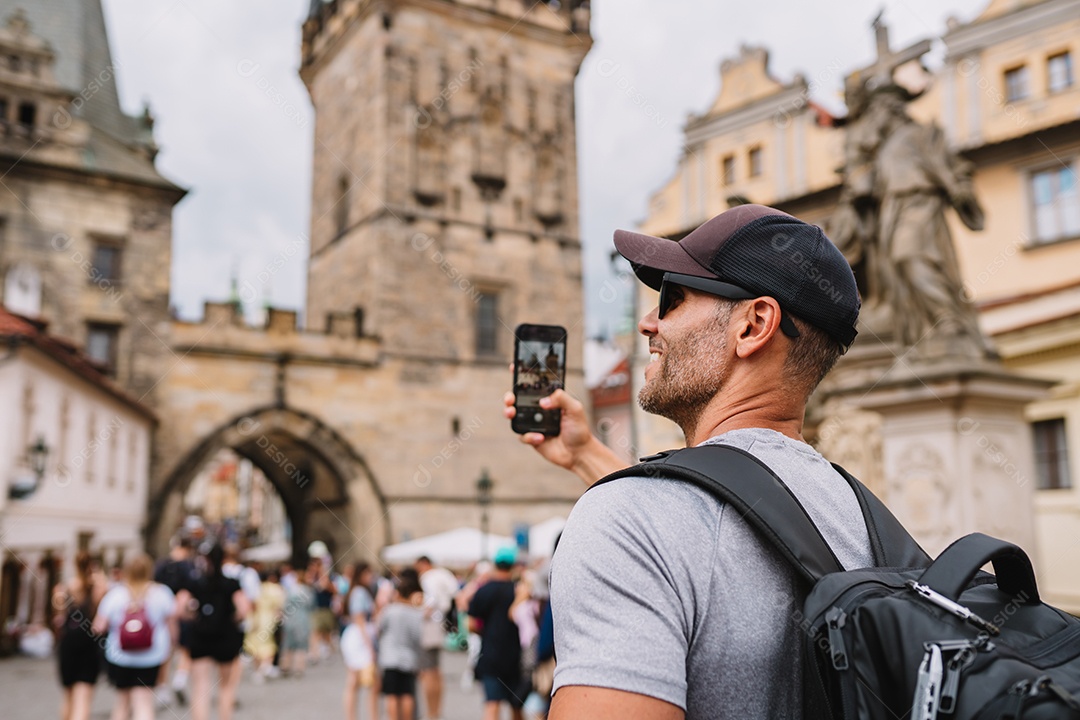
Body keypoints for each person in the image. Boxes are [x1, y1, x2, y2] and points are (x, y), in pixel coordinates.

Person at [503, 204, 869, 719]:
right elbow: (712, 532)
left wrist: (610, 495)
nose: (648, 323)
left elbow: (678, 537)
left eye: (672, 300)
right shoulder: (860, 512)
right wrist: (586, 454)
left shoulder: (623, 521)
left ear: (754, 325)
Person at [92, 553, 176, 720]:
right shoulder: (162, 593)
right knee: (144, 702)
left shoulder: (116, 594)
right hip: (151, 656)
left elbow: (98, 627)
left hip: (120, 656)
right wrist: (171, 648)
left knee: (122, 702)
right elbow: (172, 628)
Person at [177, 544, 251, 720]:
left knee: (200, 688)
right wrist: (233, 619)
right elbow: (244, 609)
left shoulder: (195, 582)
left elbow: (179, 608)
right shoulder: (231, 583)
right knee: (226, 687)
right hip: (226, 638)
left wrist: (192, 616)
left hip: (201, 637)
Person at [467, 547, 524, 720]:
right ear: (513, 565)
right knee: (516, 706)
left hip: (490, 652)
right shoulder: (518, 590)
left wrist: (486, 631)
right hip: (515, 654)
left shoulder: (483, 590)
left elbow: (470, 625)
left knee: (492, 705)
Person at [53, 551, 108, 720]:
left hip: (68, 644)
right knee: (83, 698)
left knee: (68, 697)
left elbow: (59, 618)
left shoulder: (62, 589)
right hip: (89, 644)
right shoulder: (99, 588)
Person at [414, 556, 459, 720]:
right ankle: (436, 711)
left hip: (429, 626)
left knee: (429, 672)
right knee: (435, 671)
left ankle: (432, 712)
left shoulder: (428, 578)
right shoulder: (444, 574)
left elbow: (430, 602)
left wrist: (417, 614)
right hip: (440, 625)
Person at [153, 535, 197, 705]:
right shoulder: (189, 566)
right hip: (181, 614)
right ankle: (180, 680)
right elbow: (189, 591)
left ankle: (162, 687)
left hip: (163, 615)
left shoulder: (162, 565)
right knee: (185, 649)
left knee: (165, 651)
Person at [378, 571, 424, 720]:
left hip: (390, 657)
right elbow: (418, 637)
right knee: (407, 694)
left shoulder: (389, 610)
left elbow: (379, 628)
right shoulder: (415, 613)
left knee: (391, 694)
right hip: (408, 658)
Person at [341, 562, 378, 720]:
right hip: (360, 638)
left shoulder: (356, 591)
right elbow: (360, 620)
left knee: (355, 681)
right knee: (368, 682)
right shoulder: (359, 592)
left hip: (357, 636)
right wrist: (370, 646)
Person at [244, 567, 285, 683]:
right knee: (268, 645)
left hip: (255, 619)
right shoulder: (276, 589)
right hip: (268, 619)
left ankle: (258, 670)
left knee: (254, 646)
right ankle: (265, 667)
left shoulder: (256, 589)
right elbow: (279, 607)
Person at [279, 566, 315, 679]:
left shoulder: (290, 589)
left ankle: (285, 666)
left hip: (290, 619)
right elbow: (311, 605)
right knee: (301, 645)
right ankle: (299, 668)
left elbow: (284, 605)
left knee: (288, 644)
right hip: (302, 619)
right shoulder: (306, 590)